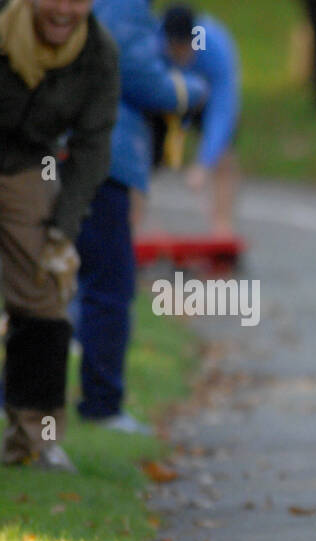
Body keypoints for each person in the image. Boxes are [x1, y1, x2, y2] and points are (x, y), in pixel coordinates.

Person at [71, 0, 207, 436]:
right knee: (108, 286)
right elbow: (140, 78)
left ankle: (18, 398)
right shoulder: (125, 8)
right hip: (101, 156)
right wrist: (191, 91)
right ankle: (102, 404)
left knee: (43, 280)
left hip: (67, 151)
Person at [1, 0, 119, 471]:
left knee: (47, 296)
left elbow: (92, 149)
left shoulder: (97, 53)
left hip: (30, 166)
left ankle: (35, 441)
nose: (65, 9)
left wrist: (61, 232)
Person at [160, 4, 239, 235]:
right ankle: (133, 222)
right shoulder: (154, 44)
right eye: (174, 47)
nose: (180, 53)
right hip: (167, 92)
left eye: (184, 47)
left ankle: (222, 226)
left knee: (225, 153)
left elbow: (223, 111)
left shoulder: (214, 46)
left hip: (207, 99)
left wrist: (204, 164)